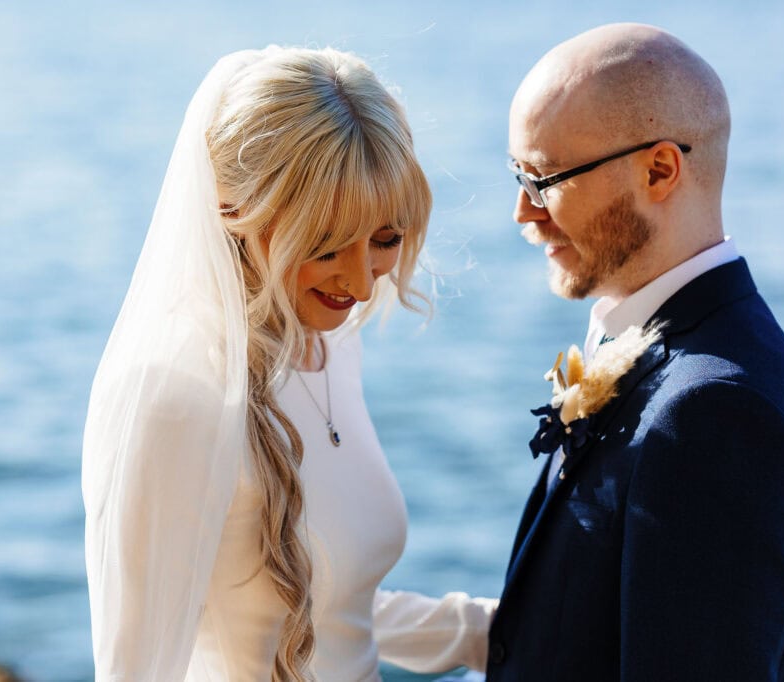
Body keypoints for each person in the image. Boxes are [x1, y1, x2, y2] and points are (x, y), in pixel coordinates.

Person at [81, 46, 496, 681]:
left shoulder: (329, 346)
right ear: (234, 211)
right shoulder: (176, 398)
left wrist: (484, 631)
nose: (360, 284)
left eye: (386, 239)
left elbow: (333, 610)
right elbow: (134, 668)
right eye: (327, 247)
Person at [490, 23, 784, 681]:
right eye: (518, 175)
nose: (523, 212)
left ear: (658, 170)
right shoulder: (676, 349)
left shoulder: (717, 411)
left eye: (544, 179)